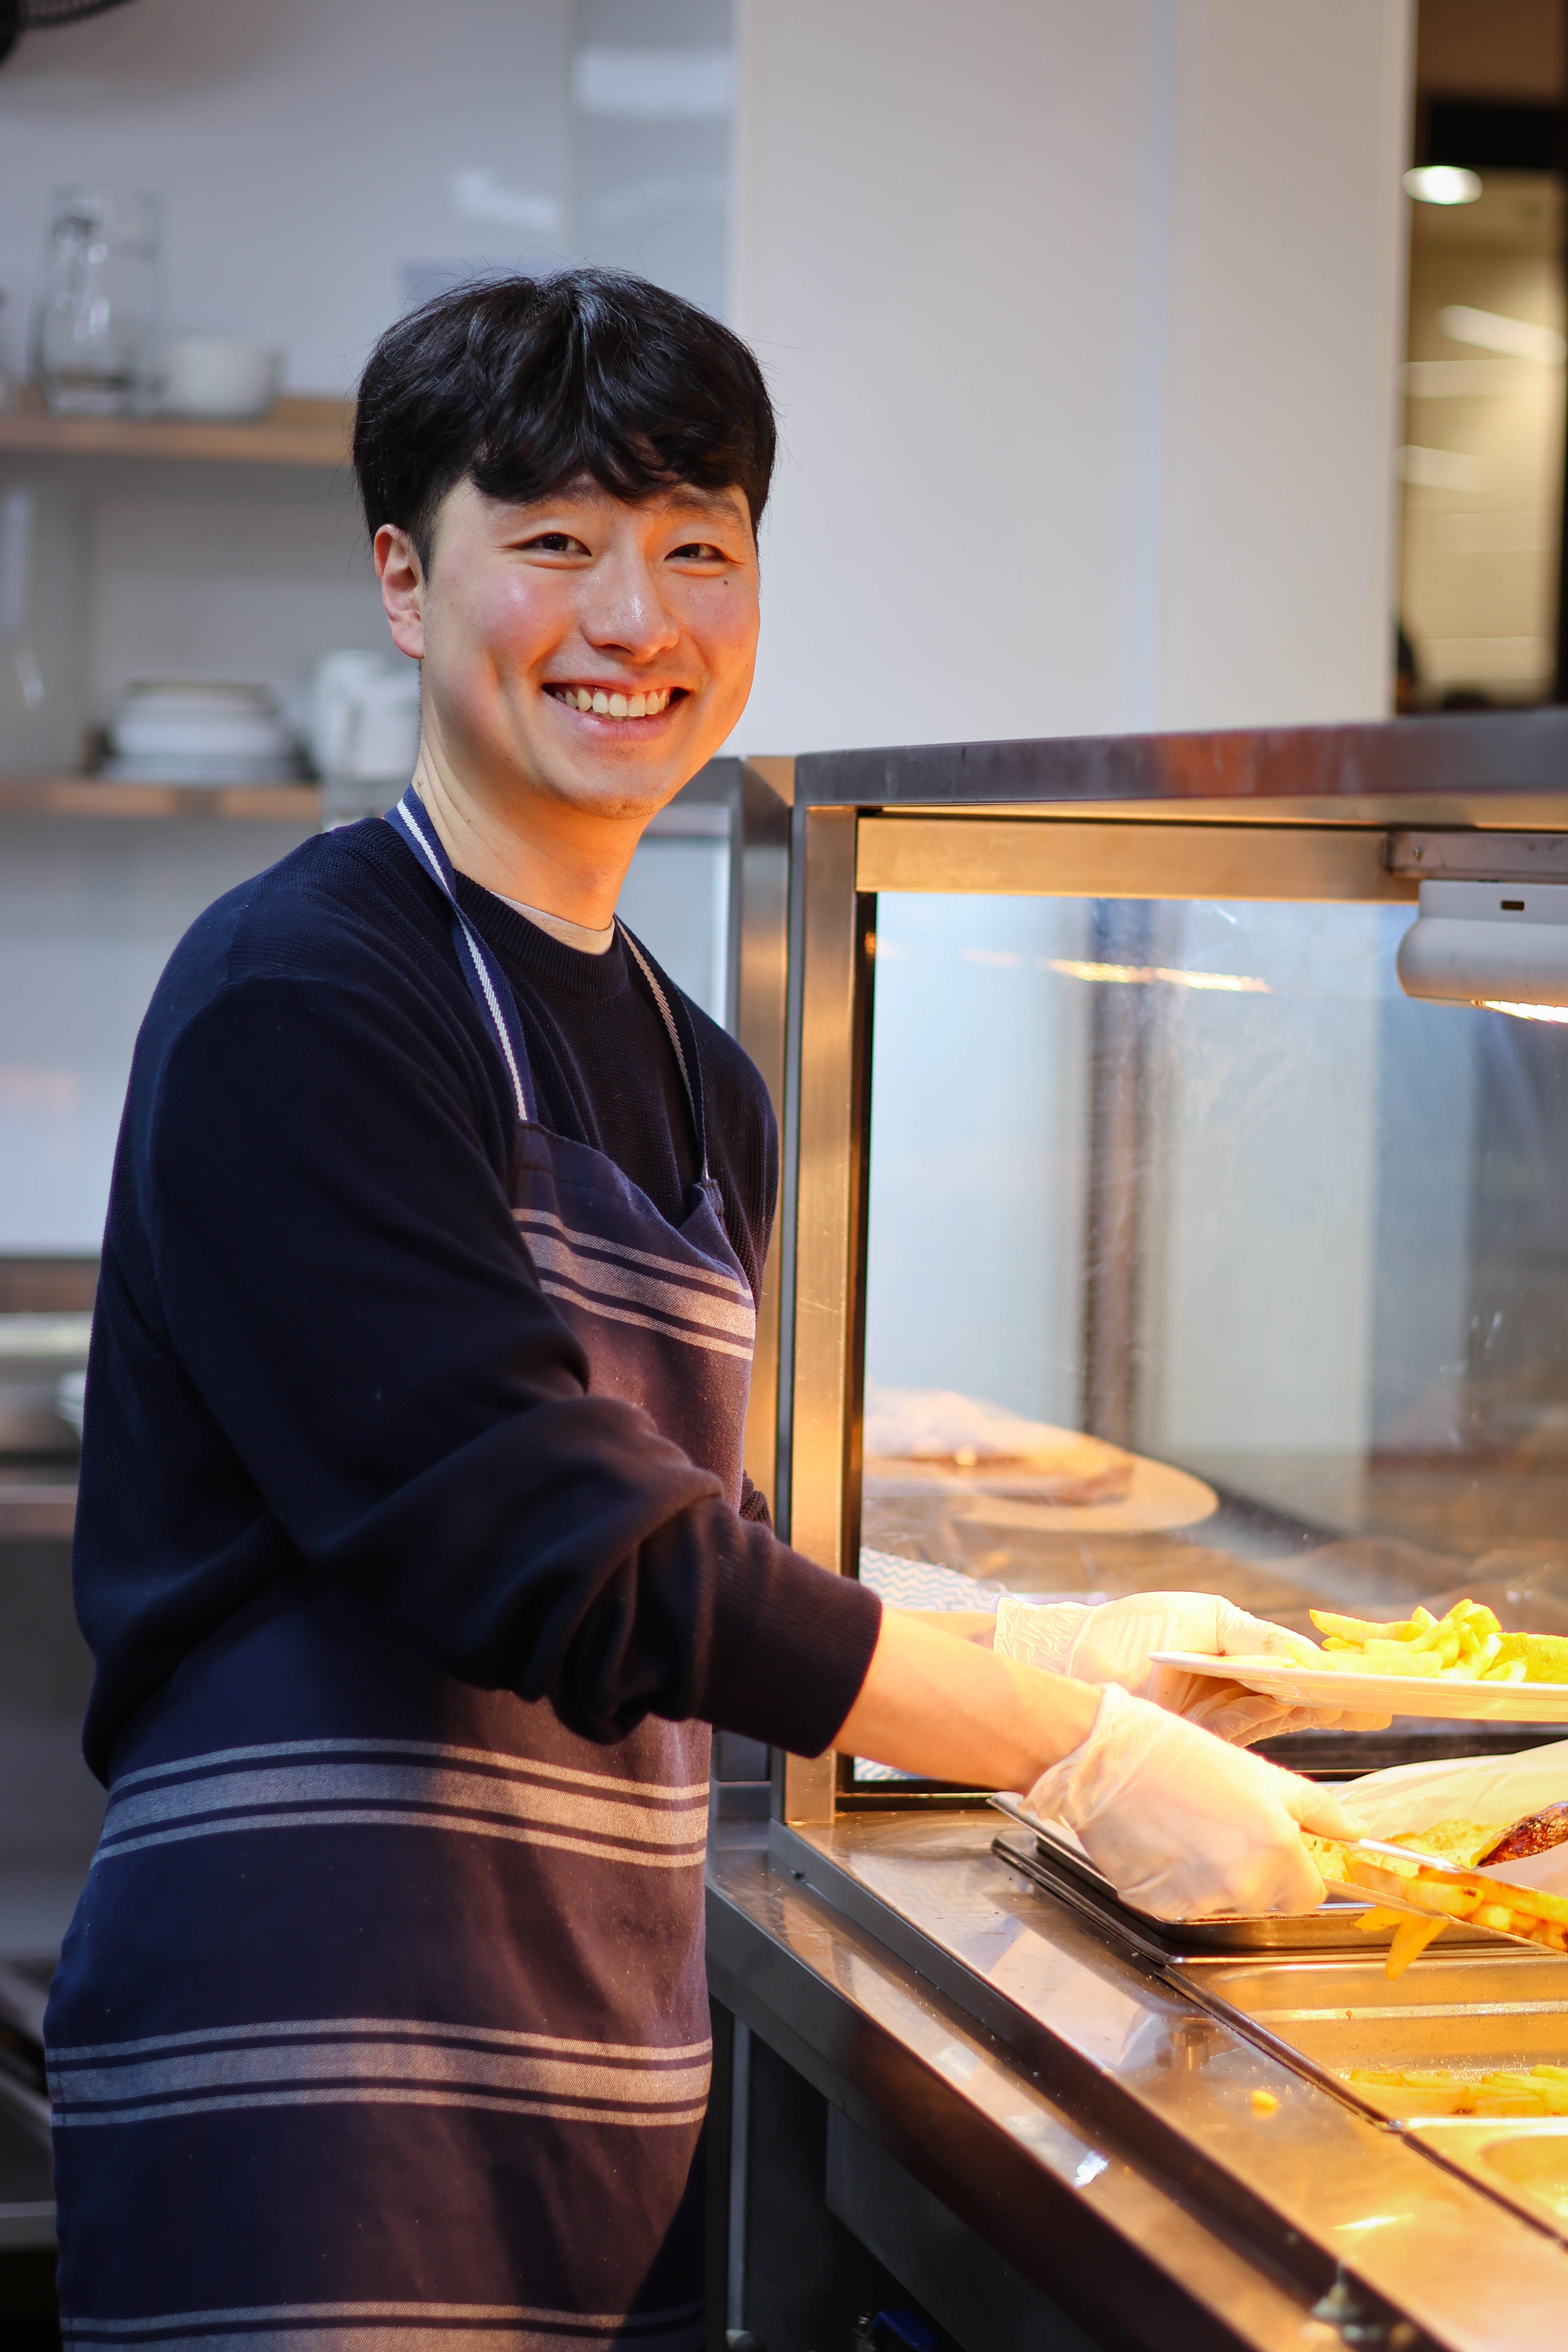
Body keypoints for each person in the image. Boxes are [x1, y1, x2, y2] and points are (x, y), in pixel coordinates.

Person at [46, 271, 1359, 2350]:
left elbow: (696, 1540)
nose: (634, 619)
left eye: (697, 550)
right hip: (309, 2065)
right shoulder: (309, 993)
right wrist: (1061, 1743)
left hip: (592, 2058)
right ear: (406, 581)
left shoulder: (695, 1063)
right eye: (554, 543)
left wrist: (1050, 1631)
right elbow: (541, 1537)